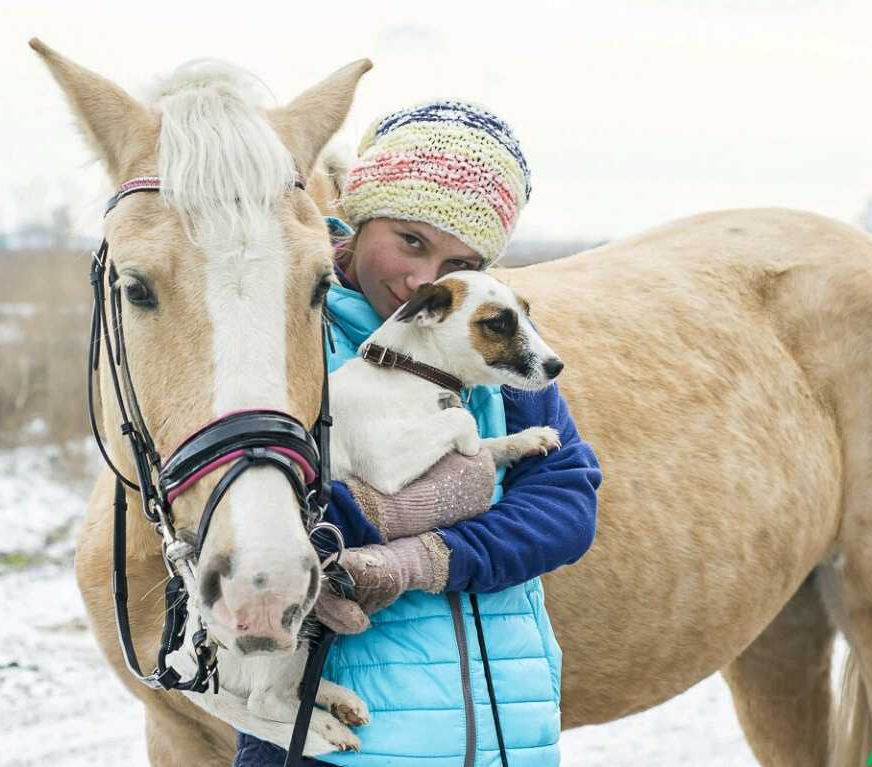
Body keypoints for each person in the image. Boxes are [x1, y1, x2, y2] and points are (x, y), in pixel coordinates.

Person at [234, 99, 602, 767]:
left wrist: (418, 560)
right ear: (359, 215)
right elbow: (253, 520)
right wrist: (379, 514)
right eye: (409, 240)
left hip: (502, 738)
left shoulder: (489, 346)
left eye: (458, 260)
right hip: (331, 744)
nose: (424, 280)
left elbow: (565, 509)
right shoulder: (289, 339)